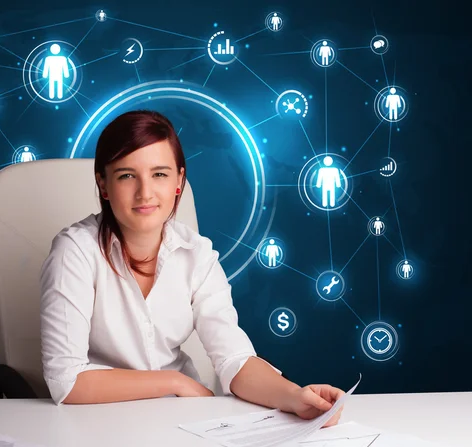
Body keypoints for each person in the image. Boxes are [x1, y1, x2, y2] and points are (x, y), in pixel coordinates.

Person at [40, 109, 344, 427]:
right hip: (98, 423)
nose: (145, 192)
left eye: (159, 174)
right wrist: (174, 382)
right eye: (126, 175)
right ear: (103, 185)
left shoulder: (197, 254)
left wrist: (294, 397)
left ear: (179, 181)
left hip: (182, 421)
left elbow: (235, 361)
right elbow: (67, 380)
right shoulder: (74, 251)